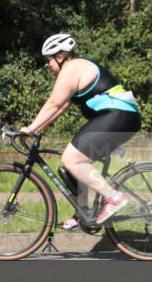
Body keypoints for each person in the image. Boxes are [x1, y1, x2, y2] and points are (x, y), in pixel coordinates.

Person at [20, 33, 141, 229]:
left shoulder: (72, 68)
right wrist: (37, 129)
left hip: (118, 115)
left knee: (72, 159)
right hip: (118, 117)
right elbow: (60, 107)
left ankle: (114, 198)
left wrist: (30, 128)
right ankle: (82, 214)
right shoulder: (73, 71)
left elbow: (53, 103)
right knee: (75, 164)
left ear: (60, 57)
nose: (47, 65)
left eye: (48, 60)